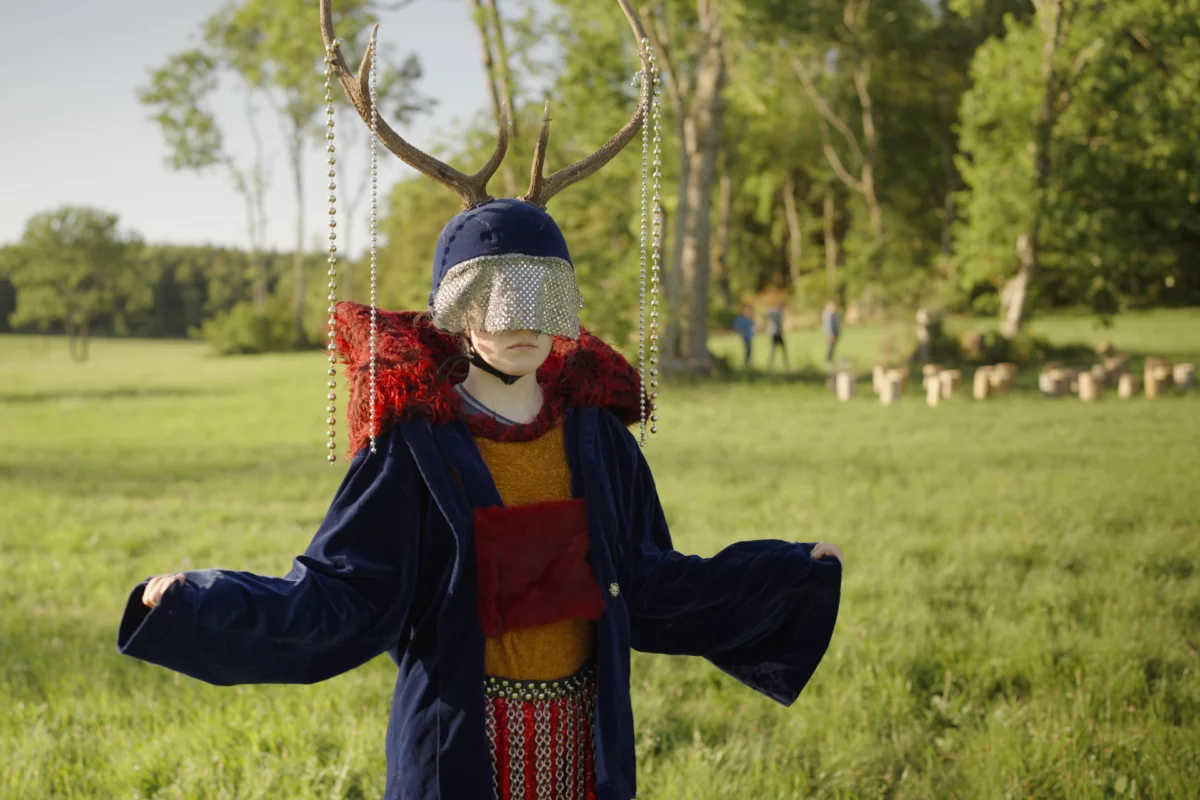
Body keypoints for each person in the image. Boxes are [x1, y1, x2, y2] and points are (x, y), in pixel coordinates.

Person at [116, 8, 843, 800]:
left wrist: (784, 574)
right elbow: (344, 596)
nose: (520, 322)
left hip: (581, 751)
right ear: (454, 311)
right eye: (496, 299)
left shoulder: (595, 437)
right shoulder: (414, 448)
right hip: (456, 748)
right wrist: (199, 601)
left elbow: (650, 581)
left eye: (542, 298)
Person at [765, 301, 789, 371]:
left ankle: (785, 364)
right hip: (775, 334)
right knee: (773, 350)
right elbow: (767, 314)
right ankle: (770, 365)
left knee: (782, 349)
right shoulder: (775, 313)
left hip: (779, 333)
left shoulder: (780, 313)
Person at [732, 303, 755, 368]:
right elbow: (737, 327)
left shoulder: (750, 319)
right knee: (747, 350)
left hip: (749, 336)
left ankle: (747, 363)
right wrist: (741, 333)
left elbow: (752, 327)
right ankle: (746, 363)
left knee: (749, 350)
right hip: (745, 337)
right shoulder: (741, 319)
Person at [822, 299, 841, 368]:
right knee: (830, 347)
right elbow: (828, 326)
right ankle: (828, 361)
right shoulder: (828, 314)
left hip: (834, 333)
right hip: (831, 334)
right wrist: (831, 334)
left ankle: (831, 360)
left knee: (832, 347)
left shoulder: (834, 314)